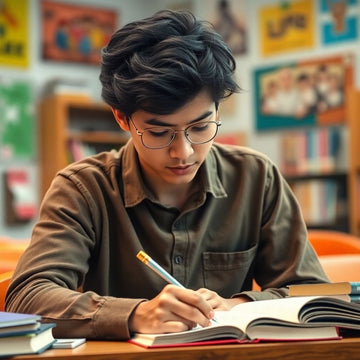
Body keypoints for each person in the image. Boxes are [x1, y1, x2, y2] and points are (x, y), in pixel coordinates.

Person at [5, 9, 328, 340]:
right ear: (122, 118)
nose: (183, 152)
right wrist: (134, 314)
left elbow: (314, 293)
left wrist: (240, 304)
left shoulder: (256, 177)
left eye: (201, 127)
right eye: (159, 133)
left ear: (218, 109)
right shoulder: (84, 188)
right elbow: (28, 297)